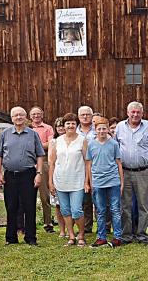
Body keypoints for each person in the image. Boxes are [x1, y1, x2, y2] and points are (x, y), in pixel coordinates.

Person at [0, 106, 45, 246]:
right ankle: (11, 238)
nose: (18, 117)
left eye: (21, 115)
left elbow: (40, 155)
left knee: (29, 207)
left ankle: (30, 238)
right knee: (11, 207)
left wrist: (39, 174)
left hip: (28, 174)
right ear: (11, 118)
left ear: (25, 117)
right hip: (10, 175)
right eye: (15, 115)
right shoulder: (5, 134)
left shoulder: (32, 134)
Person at [114, 101, 148, 244]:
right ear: (127, 113)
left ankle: (141, 235)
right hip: (125, 172)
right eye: (132, 112)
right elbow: (115, 149)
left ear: (142, 113)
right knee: (125, 205)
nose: (135, 114)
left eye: (138, 112)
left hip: (143, 171)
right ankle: (126, 235)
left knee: (143, 205)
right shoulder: (120, 127)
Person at [48, 113, 90, 247]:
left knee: (77, 209)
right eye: (68, 123)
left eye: (73, 123)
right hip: (60, 180)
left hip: (77, 180)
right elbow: (52, 163)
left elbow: (87, 161)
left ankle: (81, 235)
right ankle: (71, 236)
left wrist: (87, 181)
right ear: (63, 126)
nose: (70, 125)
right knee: (65, 210)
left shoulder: (82, 140)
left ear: (76, 125)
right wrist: (50, 182)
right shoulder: (57, 141)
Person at [85, 116, 124, 248]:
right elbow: (89, 164)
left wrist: (121, 181)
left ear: (108, 130)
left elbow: (118, 163)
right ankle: (101, 237)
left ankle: (117, 237)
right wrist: (89, 182)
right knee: (100, 211)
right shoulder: (91, 144)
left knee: (115, 210)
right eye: (99, 129)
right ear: (95, 130)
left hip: (113, 181)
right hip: (98, 182)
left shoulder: (113, 144)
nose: (102, 131)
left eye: (104, 128)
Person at [29, 107, 55, 233]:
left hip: (44, 161)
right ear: (30, 116)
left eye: (38, 114)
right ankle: (28, 223)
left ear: (42, 115)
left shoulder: (48, 128)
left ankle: (48, 223)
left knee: (45, 195)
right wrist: (40, 144)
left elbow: (50, 144)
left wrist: (34, 146)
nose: (36, 116)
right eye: (34, 114)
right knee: (27, 196)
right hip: (28, 162)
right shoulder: (27, 128)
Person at [77, 106, 96, 234]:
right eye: (82, 115)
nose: (85, 117)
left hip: (98, 167)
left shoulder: (97, 130)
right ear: (78, 116)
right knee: (85, 200)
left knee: (100, 199)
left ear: (92, 116)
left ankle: (105, 226)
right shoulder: (75, 132)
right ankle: (87, 227)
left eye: (87, 114)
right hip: (80, 168)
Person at [51, 117, 68, 238]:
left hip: (71, 175)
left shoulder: (74, 139)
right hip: (58, 174)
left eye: (63, 125)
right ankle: (62, 230)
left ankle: (70, 228)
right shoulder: (53, 142)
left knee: (70, 205)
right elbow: (51, 161)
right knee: (58, 204)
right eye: (58, 126)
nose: (61, 128)